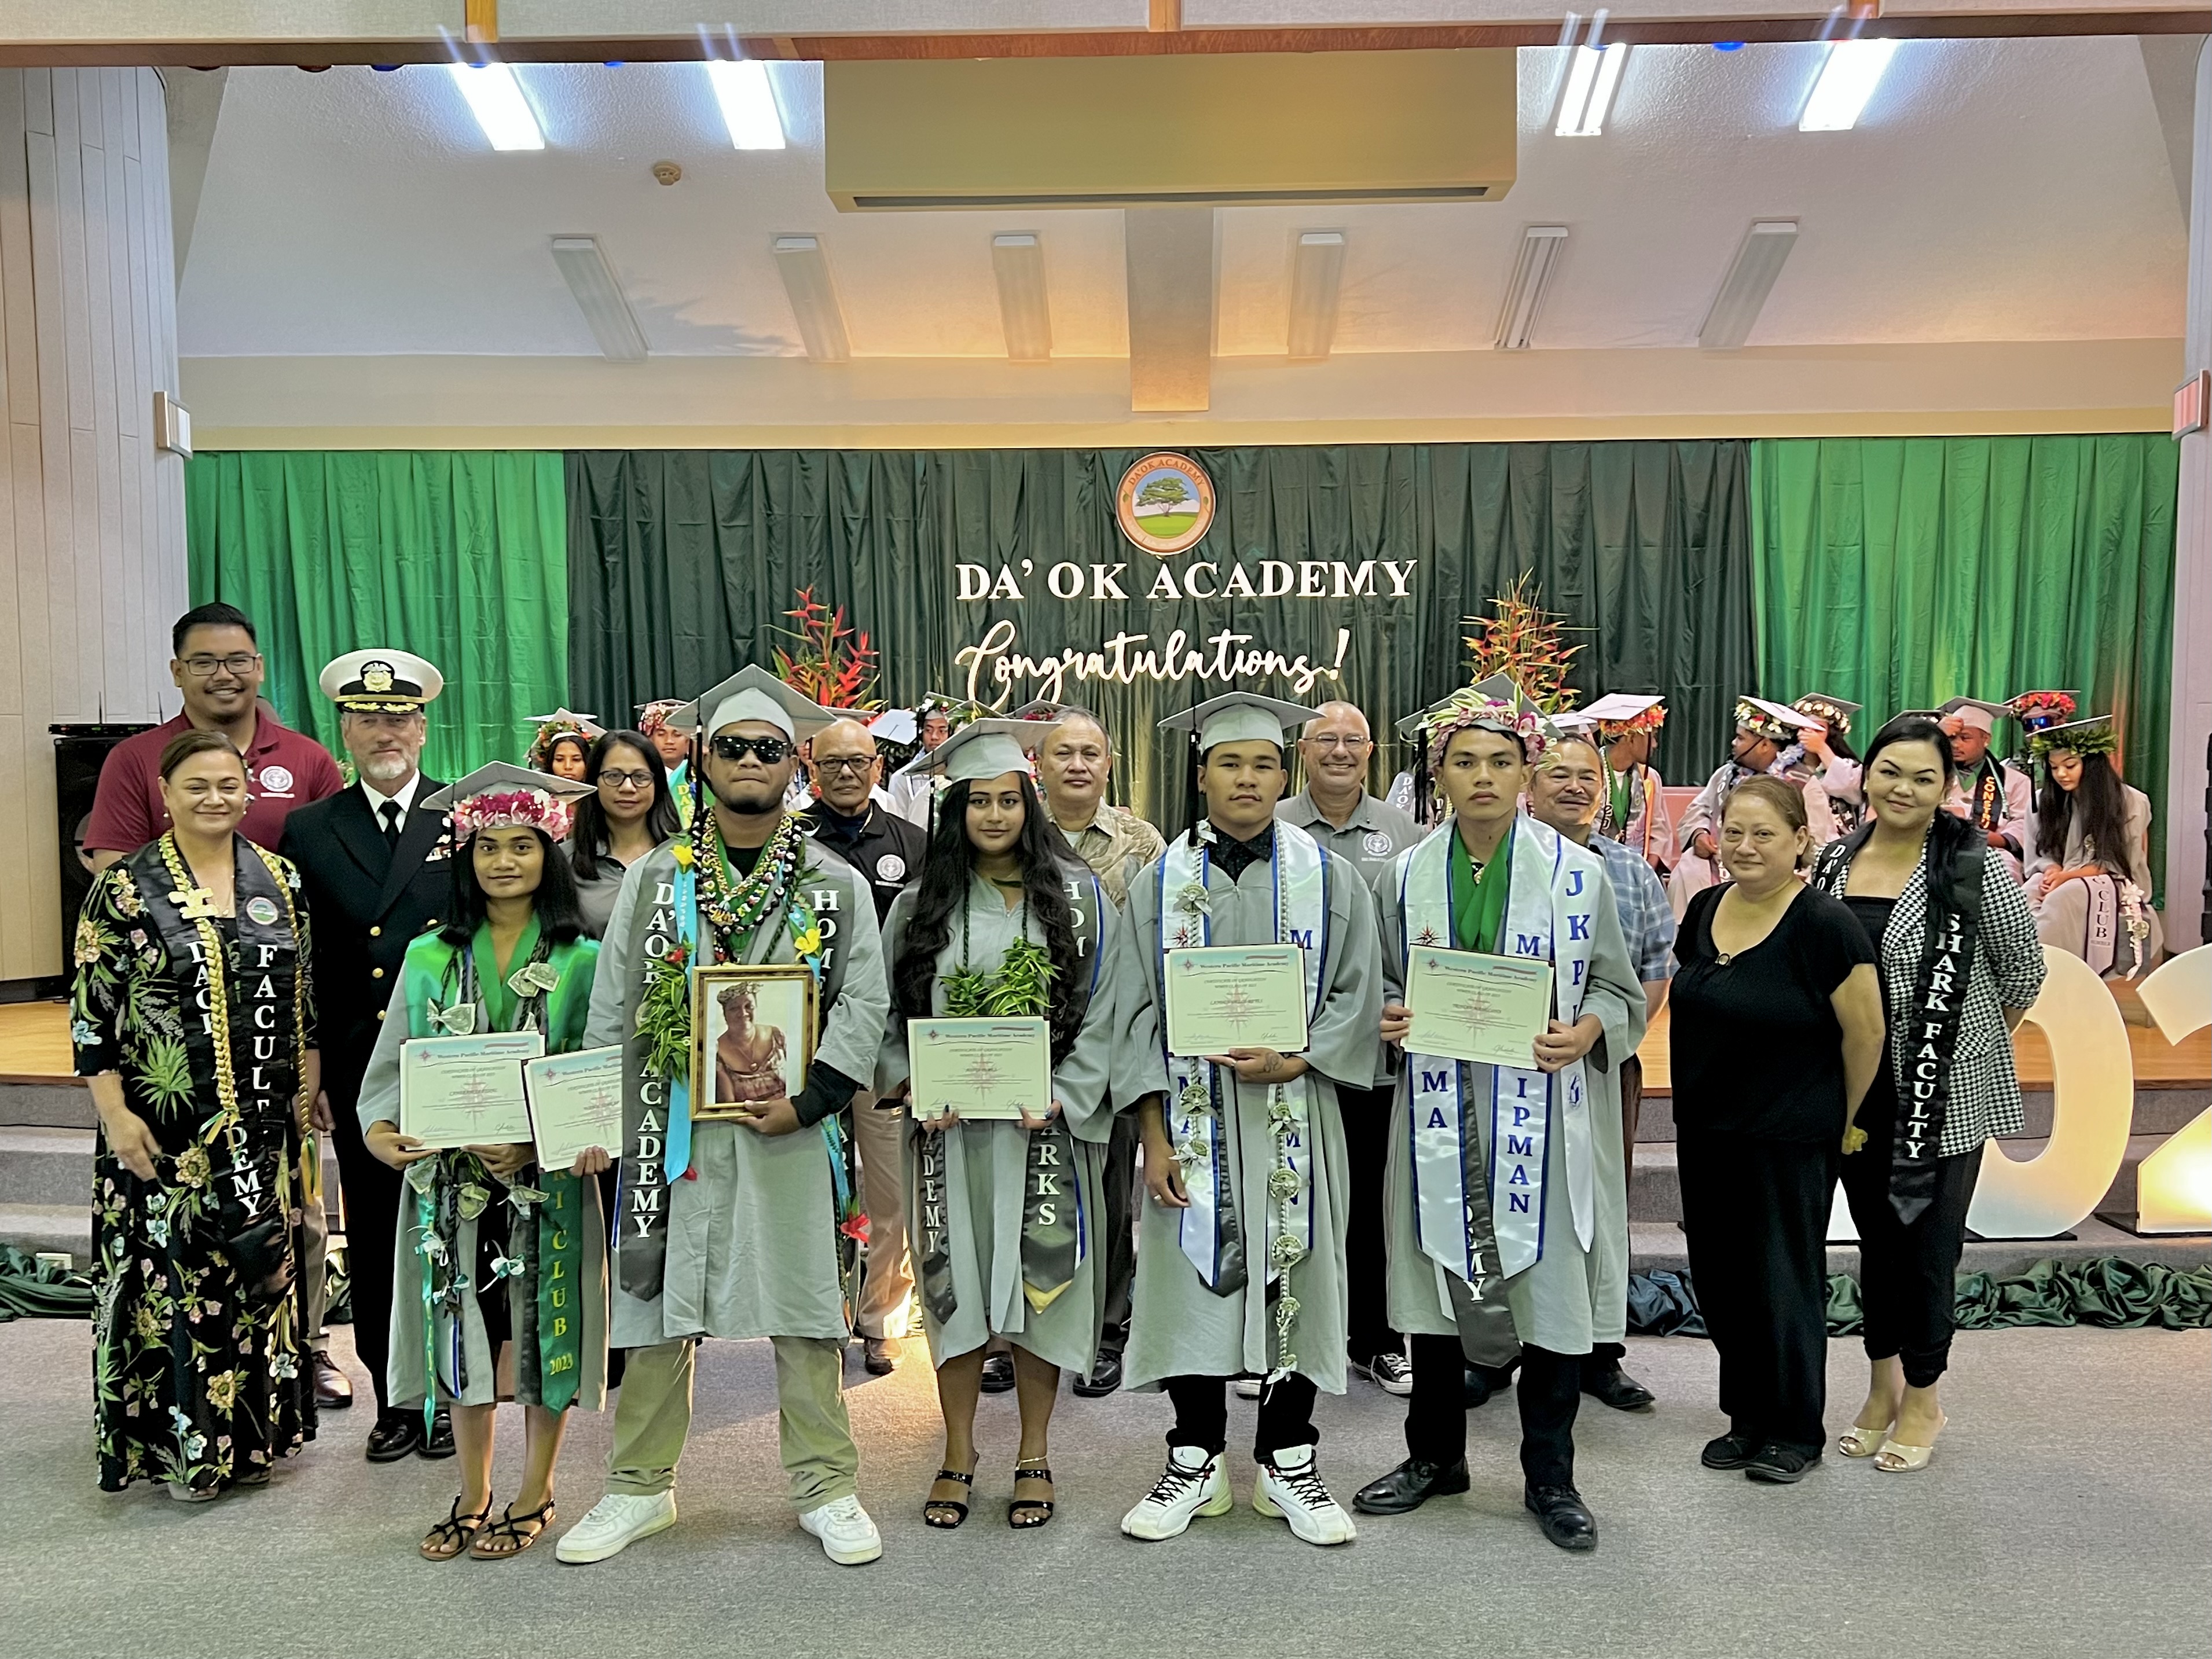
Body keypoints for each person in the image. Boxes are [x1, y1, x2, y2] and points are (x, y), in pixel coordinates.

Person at [556, 666, 893, 1569]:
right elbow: (614, 1004)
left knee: (805, 1302)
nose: (750, 761)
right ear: (702, 760)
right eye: (734, 747)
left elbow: (864, 1000)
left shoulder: (832, 881)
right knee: (660, 1301)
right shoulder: (657, 881)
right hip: (674, 1125)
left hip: (789, 1121)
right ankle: (639, 1486)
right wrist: (603, 1115)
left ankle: (826, 1484)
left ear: (798, 765)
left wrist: (814, 1096)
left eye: (770, 749)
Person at [1351, 680, 1645, 1552]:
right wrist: (1391, 1016)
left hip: (1545, 1114)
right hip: (1438, 1109)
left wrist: (1588, 1027)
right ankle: (1436, 1456)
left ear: (1526, 770)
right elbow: (1382, 986)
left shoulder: (1578, 874)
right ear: (1437, 774)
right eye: (1464, 760)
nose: (1483, 775)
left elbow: (1616, 989)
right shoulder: (1401, 876)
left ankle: (1550, 1474)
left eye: (1500, 760)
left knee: (1549, 1294)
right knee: (1435, 1285)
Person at [1116, 691, 1381, 1550]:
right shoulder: (1159, 881)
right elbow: (1132, 1013)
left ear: (1285, 773)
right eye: (1229, 763)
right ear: (1201, 776)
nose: (1246, 778)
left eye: (1263, 763)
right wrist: (1153, 1136)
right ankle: (1194, 1455)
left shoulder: (1328, 876)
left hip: (1295, 1111)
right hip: (1188, 1124)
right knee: (1187, 1285)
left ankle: (1287, 1456)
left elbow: (1357, 995)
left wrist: (1298, 1058)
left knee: (1296, 1282)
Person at [879, 722, 1149, 1530]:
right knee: (953, 1288)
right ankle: (957, 1450)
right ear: (953, 811)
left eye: (1007, 799)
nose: (993, 815)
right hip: (949, 1135)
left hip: (1043, 1130)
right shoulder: (915, 907)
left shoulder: (1077, 895)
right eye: (976, 801)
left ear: (1027, 805)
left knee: (1044, 1292)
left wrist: (1067, 1089)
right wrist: (913, 1082)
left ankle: (1035, 1450)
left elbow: (1109, 1005)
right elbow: (888, 1020)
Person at [356, 764, 610, 1558]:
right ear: (464, 857)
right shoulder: (431, 954)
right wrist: (379, 1128)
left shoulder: (582, 958)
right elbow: (393, 1059)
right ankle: (473, 1489)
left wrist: (544, 1140)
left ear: (550, 853)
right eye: (488, 846)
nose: (505, 861)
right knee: (460, 1329)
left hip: (547, 1180)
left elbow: (598, 1067)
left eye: (523, 846)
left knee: (541, 1336)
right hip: (452, 1182)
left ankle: (535, 1488)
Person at [73, 729, 320, 1498]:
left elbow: (305, 996)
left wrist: (307, 1085)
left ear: (248, 790)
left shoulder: (279, 879)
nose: (215, 798)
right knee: (174, 1283)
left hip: (262, 1130)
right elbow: (92, 1018)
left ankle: (257, 1440)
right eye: (196, 787)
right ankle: (179, 1450)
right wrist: (113, 1113)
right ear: (166, 794)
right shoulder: (123, 888)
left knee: (257, 1271)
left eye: (228, 784)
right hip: (161, 1133)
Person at [1809, 717, 2047, 1474]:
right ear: (1866, 776)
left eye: (1921, 776)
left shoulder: (1974, 865)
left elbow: (2022, 973)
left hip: (1937, 1095)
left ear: (1947, 784)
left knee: (1925, 1250)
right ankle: (1879, 1387)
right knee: (1875, 1243)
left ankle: (1923, 1396)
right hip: (1852, 1087)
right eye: (1889, 772)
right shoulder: (1835, 859)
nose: (1902, 788)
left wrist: (1963, 1050)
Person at [1669, 777, 1885, 1485]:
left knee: (1782, 1280)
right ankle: (1746, 1416)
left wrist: (1847, 1119)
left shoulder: (1825, 924)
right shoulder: (1703, 907)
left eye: (1764, 833)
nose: (1745, 846)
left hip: (1789, 1135)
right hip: (1706, 1129)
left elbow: (1865, 1031)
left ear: (1800, 840)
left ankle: (1794, 1427)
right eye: (1733, 832)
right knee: (1722, 1278)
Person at [277, 649, 460, 1460]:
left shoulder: (466, 820)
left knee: (460, 1228)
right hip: (364, 1066)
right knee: (381, 1229)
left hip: (456, 1063)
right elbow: (303, 958)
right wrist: (313, 1062)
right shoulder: (311, 828)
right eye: (366, 718)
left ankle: (456, 1392)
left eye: (398, 716)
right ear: (343, 731)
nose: (384, 731)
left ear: (422, 727)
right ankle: (396, 1399)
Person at [1275, 699, 1422, 1399]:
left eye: (1352, 740)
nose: (1339, 750)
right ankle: (1279, 1340)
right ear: (1302, 752)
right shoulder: (1269, 827)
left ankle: (1376, 1339)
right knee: (1284, 1194)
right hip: (1286, 1054)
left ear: (1371, 752)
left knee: (1368, 1200)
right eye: (1324, 739)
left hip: (1371, 1054)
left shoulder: (1403, 835)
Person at [1525, 732, 1676, 1414]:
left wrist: (1595, 1035)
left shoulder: (1629, 872)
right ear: (1528, 785)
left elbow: (1650, 977)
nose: (1575, 787)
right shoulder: (1499, 863)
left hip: (1600, 1062)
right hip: (1510, 1064)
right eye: (1557, 774)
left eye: (1587, 776)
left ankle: (1597, 1351)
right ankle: (1497, 1347)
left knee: (1598, 1205)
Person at [1023, 707, 1166, 1401]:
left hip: (1109, 1042)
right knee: (1024, 1192)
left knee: (1107, 1193)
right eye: (1063, 754)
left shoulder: (1140, 842)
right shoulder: (1011, 833)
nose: (1077, 765)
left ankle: (1107, 1330)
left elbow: (1165, 938)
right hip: (1022, 1044)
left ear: (1108, 765)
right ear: (1039, 766)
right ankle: (1016, 1334)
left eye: (1090, 753)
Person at [800, 716, 928, 1378]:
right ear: (809, 765)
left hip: (885, 1047)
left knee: (888, 1192)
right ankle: (818, 1317)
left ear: (878, 766)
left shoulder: (913, 844)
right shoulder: (787, 845)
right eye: (832, 762)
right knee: (811, 1186)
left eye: (858, 761)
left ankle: (882, 1316)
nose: (845, 772)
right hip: (801, 1050)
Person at [84, 601, 346, 875]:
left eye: (238, 661)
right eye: (204, 663)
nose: (223, 675)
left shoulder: (310, 759)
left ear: (259, 668)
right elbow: (115, 874)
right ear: (177, 673)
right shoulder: (134, 759)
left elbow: (335, 871)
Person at [1669, 696, 1838, 918]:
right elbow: (1698, 809)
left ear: (1765, 744)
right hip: (1717, 870)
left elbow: (1819, 841)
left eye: (1740, 738)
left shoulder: (1803, 784)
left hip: (1773, 880)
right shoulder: (1725, 775)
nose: (1733, 743)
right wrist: (1698, 833)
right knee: (1689, 866)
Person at [2024, 713, 2162, 978]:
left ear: (2091, 764)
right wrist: (2052, 869)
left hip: (2111, 879)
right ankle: (2025, 974)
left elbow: (2120, 863)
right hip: (2063, 873)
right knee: (2027, 893)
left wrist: (2067, 876)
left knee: (2065, 898)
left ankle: (2054, 977)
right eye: (2054, 768)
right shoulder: (2044, 800)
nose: (2061, 774)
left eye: (2070, 765)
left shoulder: (2129, 801)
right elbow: (2038, 853)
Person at [570, 731, 680, 939]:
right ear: (594, 781)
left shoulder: (686, 857)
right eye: (614, 776)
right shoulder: (566, 861)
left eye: (641, 777)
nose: (628, 788)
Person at [1936, 698, 2035, 882]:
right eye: (1951, 738)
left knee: (2005, 872)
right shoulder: (1934, 773)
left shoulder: (2015, 781)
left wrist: (1990, 838)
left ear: (1986, 739)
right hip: (1938, 847)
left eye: (1965, 738)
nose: (1956, 745)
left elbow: (2024, 823)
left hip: (1993, 851)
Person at [1583, 693, 1671, 872]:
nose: (1655, 745)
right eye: (1652, 737)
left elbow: (1658, 833)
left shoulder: (1649, 779)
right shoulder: (1589, 772)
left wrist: (1646, 871)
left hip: (1636, 868)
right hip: (1591, 865)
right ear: (1632, 739)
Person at [1794, 693, 1864, 835]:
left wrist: (1821, 748)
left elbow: (1852, 790)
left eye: (1818, 729)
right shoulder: (1786, 766)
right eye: (1804, 728)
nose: (1809, 733)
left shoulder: (1850, 767)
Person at [636, 700, 696, 828]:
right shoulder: (641, 776)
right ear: (650, 739)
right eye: (661, 734)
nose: (669, 741)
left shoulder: (701, 775)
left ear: (689, 740)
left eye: (677, 735)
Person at [527, 710, 603, 782]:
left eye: (576, 760)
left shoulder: (602, 794)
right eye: (559, 760)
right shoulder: (536, 794)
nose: (568, 767)